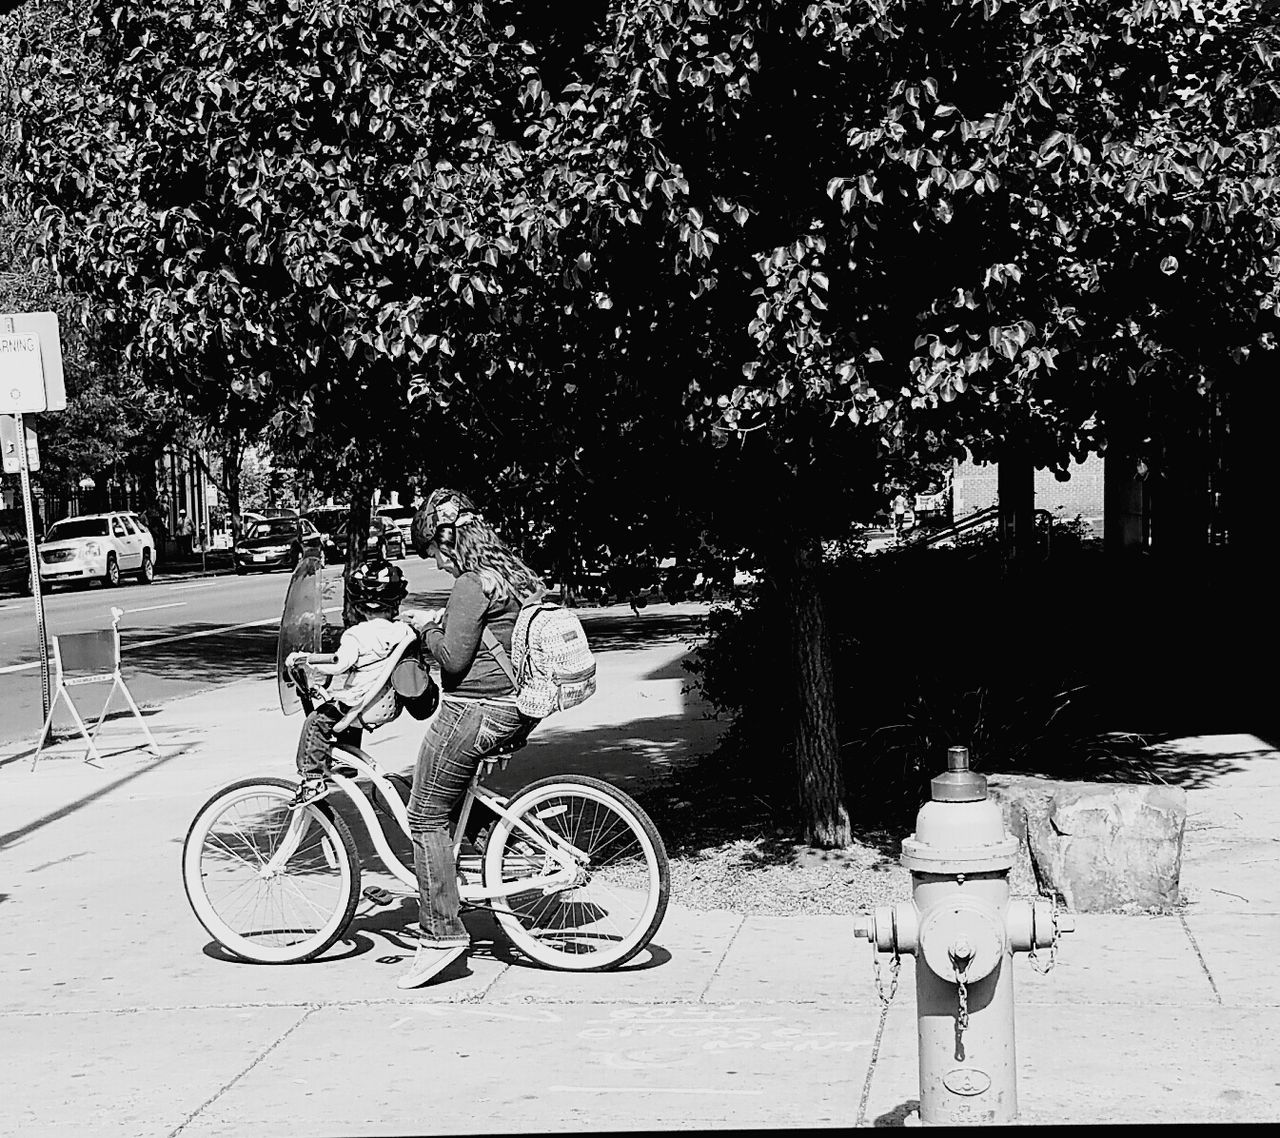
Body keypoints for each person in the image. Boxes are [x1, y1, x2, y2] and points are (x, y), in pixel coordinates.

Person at [394, 488, 542, 990]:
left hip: (475, 711)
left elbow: (453, 660)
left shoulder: (468, 584)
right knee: (451, 798)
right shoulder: (512, 575)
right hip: (515, 706)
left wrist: (421, 628)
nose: (435, 562)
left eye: (434, 551)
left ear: (449, 538)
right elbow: (480, 636)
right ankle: (513, 848)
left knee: (424, 816)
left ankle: (440, 936)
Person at [289, 558, 410, 806]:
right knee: (345, 715)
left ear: (359, 604)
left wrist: (307, 660)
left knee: (316, 722)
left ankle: (312, 780)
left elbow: (339, 663)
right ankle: (346, 760)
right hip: (384, 702)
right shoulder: (401, 631)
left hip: (360, 702)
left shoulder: (357, 634)